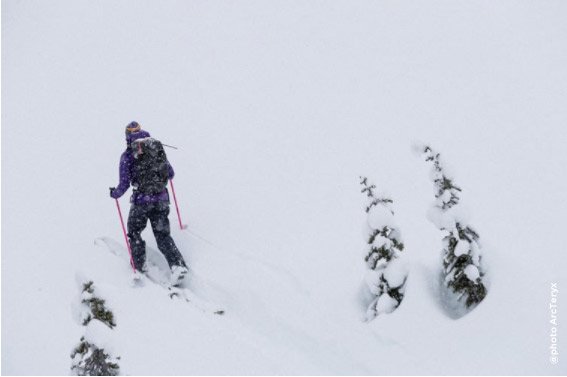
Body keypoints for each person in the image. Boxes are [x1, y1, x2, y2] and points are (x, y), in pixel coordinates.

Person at [110, 121, 188, 284]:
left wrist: (115, 193)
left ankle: (139, 266)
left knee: (135, 232)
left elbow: (124, 184)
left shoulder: (127, 156)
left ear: (126, 136)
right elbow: (171, 174)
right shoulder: (155, 148)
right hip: (161, 199)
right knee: (162, 235)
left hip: (142, 202)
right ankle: (178, 265)